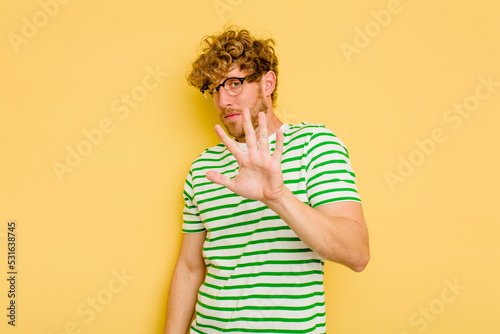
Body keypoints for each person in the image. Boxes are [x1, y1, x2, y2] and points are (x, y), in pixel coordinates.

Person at [164, 28, 370, 334]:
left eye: (234, 83)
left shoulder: (314, 145)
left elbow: (357, 254)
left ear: (267, 83)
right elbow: (190, 267)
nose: (223, 100)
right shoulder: (203, 168)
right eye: (214, 89)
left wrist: (277, 197)